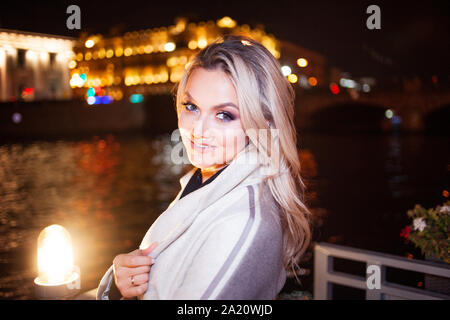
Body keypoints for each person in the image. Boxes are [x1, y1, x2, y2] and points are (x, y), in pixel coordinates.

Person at [96, 34, 312, 300]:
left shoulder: (242, 220)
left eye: (224, 115)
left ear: (263, 123)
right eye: (192, 107)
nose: (198, 130)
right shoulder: (206, 180)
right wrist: (122, 284)